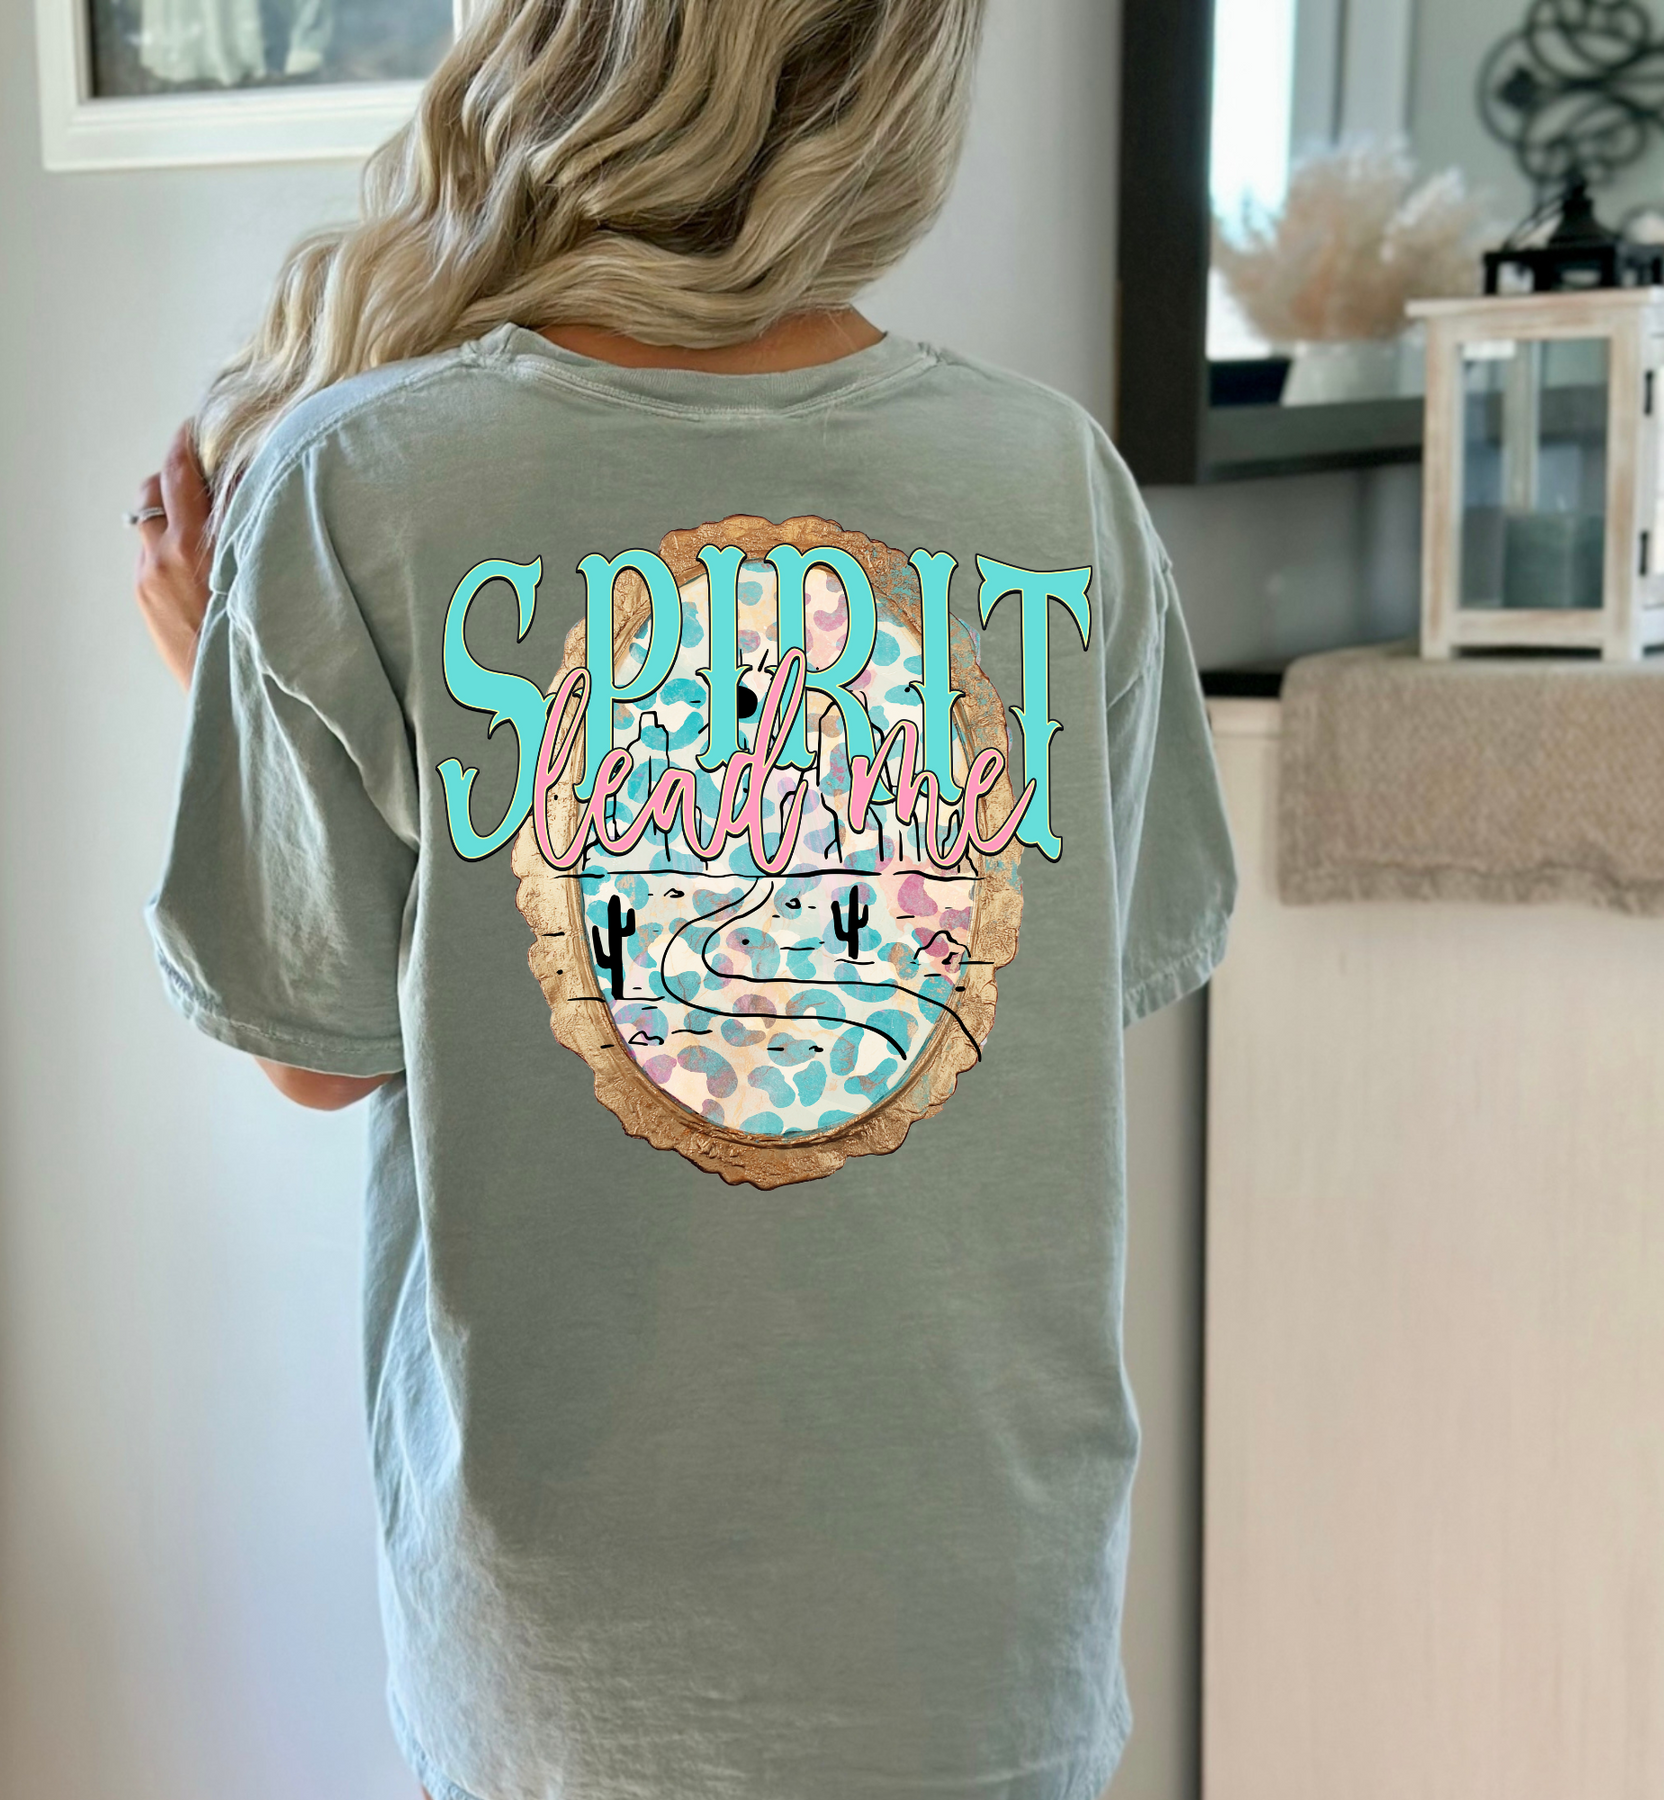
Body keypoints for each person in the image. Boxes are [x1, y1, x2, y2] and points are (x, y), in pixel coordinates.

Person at [133, 3, 1238, 1796]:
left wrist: (222, 691)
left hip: (573, 1652)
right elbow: (1062, 984)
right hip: (981, 1626)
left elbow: (315, 1050)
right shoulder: (1056, 484)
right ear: (897, 86)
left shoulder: (363, 481)